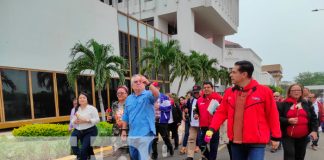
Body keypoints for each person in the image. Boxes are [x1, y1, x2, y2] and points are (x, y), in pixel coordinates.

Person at [207, 60, 281, 160]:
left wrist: (276, 137)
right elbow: (221, 112)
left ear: (244, 74)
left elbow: (272, 115)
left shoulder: (264, 91)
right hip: (235, 142)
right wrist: (211, 129)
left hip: (257, 142)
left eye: (234, 72)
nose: (230, 74)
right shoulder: (229, 92)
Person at [121, 74, 159, 160]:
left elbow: (157, 95)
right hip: (132, 134)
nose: (138, 83)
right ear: (132, 86)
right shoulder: (129, 99)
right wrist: (123, 130)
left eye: (140, 81)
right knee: (133, 156)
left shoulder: (148, 95)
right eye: (135, 82)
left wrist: (149, 83)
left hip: (146, 132)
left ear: (144, 84)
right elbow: (126, 115)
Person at [278, 84, 318, 160]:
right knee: (290, 155)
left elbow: (314, 118)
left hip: (303, 137)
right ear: (289, 92)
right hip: (287, 136)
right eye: (293, 90)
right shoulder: (282, 104)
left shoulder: (307, 104)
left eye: (298, 90)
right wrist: (287, 120)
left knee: (300, 156)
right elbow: (277, 118)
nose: (296, 92)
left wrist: (314, 130)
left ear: (301, 92)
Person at [195, 81, 222, 160]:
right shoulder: (199, 100)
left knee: (213, 146)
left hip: (213, 128)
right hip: (203, 127)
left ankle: (211, 158)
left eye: (208, 87)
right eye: (205, 87)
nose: (206, 89)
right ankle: (209, 157)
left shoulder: (218, 98)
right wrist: (196, 114)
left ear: (212, 88)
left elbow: (224, 110)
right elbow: (196, 110)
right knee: (201, 144)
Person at [71, 92, 100, 160]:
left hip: (90, 131)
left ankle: (82, 156)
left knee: (84, 149)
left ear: (87, 99)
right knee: (74, 141)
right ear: (78, 100)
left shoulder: (92, 108)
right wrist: (75, 121)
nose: (82, 99)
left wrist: (87, 121)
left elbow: (97, 120)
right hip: (79, 130)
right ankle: (80, 155)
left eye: (84, 97)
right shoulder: (77, 109)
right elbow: (73, 120)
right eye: (80, 98)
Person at [151, 82, 173, 159]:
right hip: (153, 122)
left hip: (162, 122)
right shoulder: (150, 98)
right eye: (152, 88)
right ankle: (155, 155)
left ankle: (170, 147)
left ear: (158, 88)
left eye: (155, 88)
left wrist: (160, 107)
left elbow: (169, 108)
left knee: (165, 137)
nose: (153, 89)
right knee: (154, 139)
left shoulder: (164, 97)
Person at [107, 85, 129, 156]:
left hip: (128, 132)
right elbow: (113, 117)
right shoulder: (114, 104)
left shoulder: (130, 104)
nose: (119, 94)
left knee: (129, 154)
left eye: (122, 93)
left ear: (126, 94)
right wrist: (110, 119)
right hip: (116, 133)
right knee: (117, 155)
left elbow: (131, 118)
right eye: (118, 93)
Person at [184, 85, 201, 160]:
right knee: (191, 139)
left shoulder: (203, 99)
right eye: (195, 92)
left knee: (202, 141)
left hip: (202, 124)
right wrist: (186, 109)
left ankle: (204, 155)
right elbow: (186, 107)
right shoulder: (191, 100)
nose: (196, 94)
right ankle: (190, 156)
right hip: (193, 123)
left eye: (197, 92)